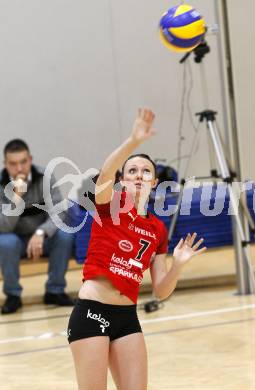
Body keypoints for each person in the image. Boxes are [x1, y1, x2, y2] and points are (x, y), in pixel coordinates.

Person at [67, 108, 206, 390]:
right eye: (132, 171)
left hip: (127, 318)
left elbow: (160, 290)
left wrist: (178, 266)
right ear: (122, 180)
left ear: (154, 183)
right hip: (92, 312)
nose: (139, 175)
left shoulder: (157, 229)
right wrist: (133, 141)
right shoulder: (109, 206)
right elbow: (105, 172)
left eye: (146, 172)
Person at [0, 139, 75, 314]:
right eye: (13, 164)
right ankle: (13, 295)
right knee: (5, 242)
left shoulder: (45, 177)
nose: (19, 168)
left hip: (41, 238)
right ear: (6, 165)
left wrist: (41, 233)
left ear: (30, 160)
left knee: (65, 235)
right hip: (15, 239)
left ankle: (54, 291)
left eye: (23, 162)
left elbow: (59, 212)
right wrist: (17, 198)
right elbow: (4, 227)